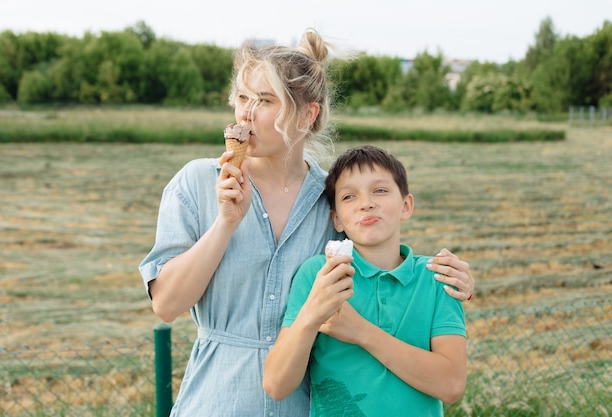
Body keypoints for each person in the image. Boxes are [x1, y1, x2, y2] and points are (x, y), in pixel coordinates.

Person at [139, 29, 474, 417]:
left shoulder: (332, 199)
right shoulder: (198, 182)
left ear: (306, 115)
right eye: (242, 98)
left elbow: (382, 267)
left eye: (264, 101)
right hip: (215, 401)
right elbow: (166, 305)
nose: (245, 113)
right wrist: (225, 224)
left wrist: (454, 280)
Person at [263, 145, 467, 416]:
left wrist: (360, 332)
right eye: (349, 196)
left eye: (380, 191)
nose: (366, 203)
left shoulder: (437, 277)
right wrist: (311, 316)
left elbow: (451, 385)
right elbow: (277, 385)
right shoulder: (318, 275)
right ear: (336, 219)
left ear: (406, 206)